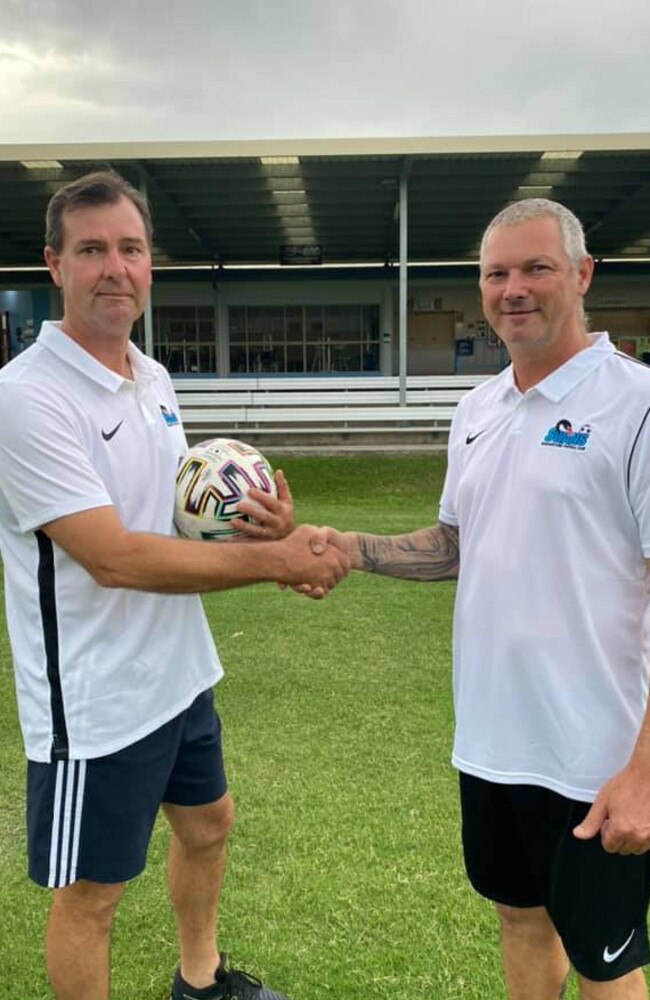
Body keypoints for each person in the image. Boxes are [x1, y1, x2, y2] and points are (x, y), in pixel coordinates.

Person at [0, 170, 349, 1000]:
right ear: (55, 265)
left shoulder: (151, 379)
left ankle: (200, 980)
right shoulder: (26, 398)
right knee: (92, 896)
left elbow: (171, 516)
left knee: (210, 825)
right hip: (94, 700)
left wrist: (259, 523)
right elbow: (114, 555)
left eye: (130, 248)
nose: (113, 267)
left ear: (150, 263)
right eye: (91, 251)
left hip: (178, 674)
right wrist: (277, 561)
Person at [319, 199, 650, 999]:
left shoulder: (634, 405)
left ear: (582, 274)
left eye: (536, 267)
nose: (513, 289)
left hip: (595, 757)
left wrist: (643, 771)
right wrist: (345, 550)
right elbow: (456, 546)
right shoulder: (477, 411)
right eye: (496, 273)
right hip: (494, 744)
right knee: (520, 922)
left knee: (606, 964)